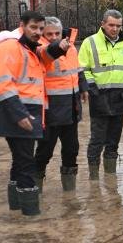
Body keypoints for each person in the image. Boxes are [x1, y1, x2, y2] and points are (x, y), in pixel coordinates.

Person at [0, 11, 68, 216]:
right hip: (16, 112)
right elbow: (3, 83)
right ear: (22, 26)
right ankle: (31, 215)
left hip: (25, 111)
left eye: (41, 29)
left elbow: (45, 56)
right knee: (26, 162)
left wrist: (59, 47)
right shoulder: (8, 48)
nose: (38, 32)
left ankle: (17, 210)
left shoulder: (30, 48)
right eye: (33, 27)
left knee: (20, 159)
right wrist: (19, 114)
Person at [79, 9, 123, 179]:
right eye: (111, 25)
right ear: (102, 24)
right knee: (97, 140)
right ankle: (94, 179)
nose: (115, 29)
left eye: (118, 25)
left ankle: (110, 179)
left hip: (120, 97)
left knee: (113, 141)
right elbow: (82, 69)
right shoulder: (90, 42)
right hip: (99, 96)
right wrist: (91, 88)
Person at [33, 17, 87, 192]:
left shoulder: (70, 47)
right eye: (49, 34)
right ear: (43, 34)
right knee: (45, 151)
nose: (54, 37)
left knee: (72, 150)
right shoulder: (38, 48)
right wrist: (58, 46)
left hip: (71, 107)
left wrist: (83, 88)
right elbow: (48, 52)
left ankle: (70, 195)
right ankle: (34, 191)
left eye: (57, 33)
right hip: (50, 111)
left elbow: (77, 69)